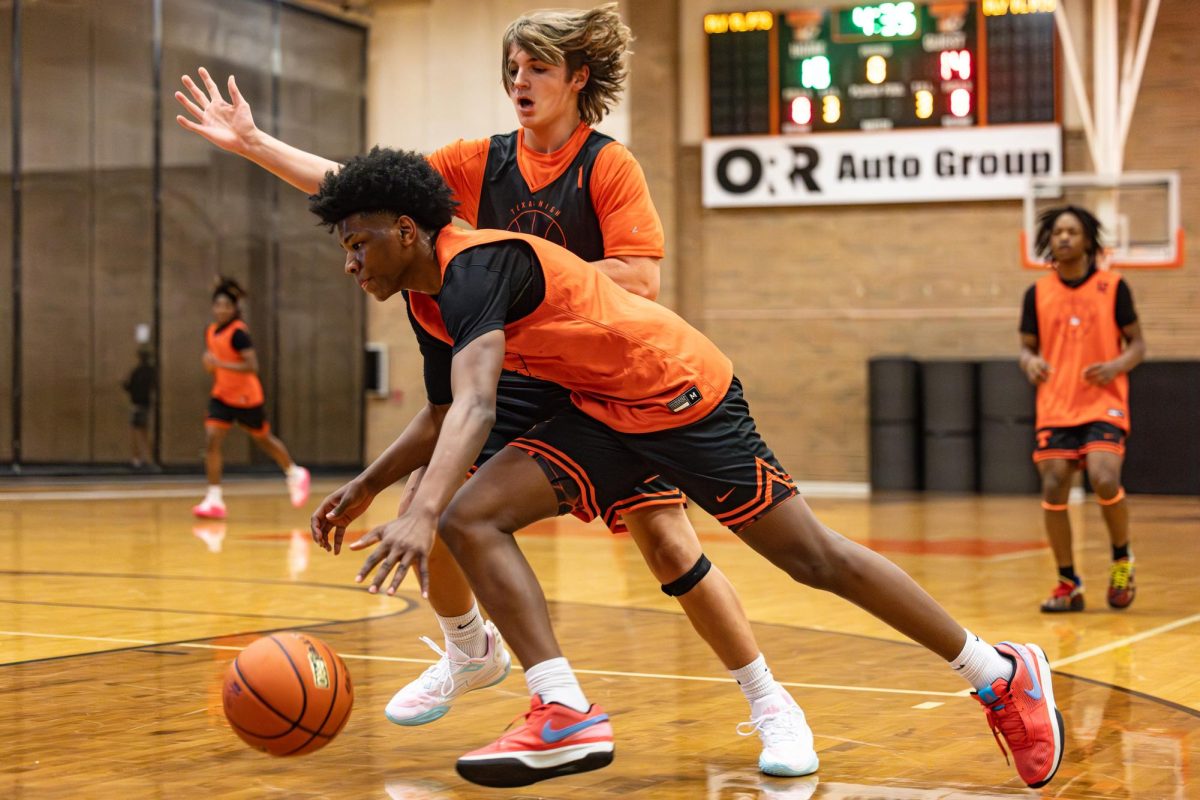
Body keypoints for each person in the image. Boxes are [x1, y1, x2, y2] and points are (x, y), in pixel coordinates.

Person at [175, 5, 816, 776]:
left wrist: (522, 274)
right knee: (437, 494)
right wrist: (255, 144)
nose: (520, 81)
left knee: (668, 544)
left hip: (596, 372)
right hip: (510, 368)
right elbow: (367, 193)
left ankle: (769, 701)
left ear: (578, 77)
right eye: (512, 68)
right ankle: (469, 651)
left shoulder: (608, 166)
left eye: (538, 67)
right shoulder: (478, 161)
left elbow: (641, 280)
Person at [306, 147, 1065, 790]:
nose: (348, 263)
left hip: (679, 394)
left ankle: (998, 672)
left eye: (358, 243)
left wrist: (417, 510)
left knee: (814, 559)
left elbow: (475, 407)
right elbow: (443, 413)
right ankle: (562, 707)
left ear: (407, 230)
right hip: (602, 411)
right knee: (474, 514)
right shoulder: (429, 299)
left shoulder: (476, 266)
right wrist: (370, 486)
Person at [1019, 205, 1146, 613]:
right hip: (1056, 404)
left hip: (1102, 402)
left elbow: (1138, 345)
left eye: (1072, 231)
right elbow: (1026, 347)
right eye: (1057, 232)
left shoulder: (1114, 287)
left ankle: (1121, 559)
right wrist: (1030, 362)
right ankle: (1067, 582)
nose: (1064, 238)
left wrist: (1116, 365)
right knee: (1054, 484)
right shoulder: (1036, 293)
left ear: (1088, 239)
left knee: (1103, 475)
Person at [192, 277, 311, 519]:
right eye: (218, 305)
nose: (222, 309)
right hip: (222, 395)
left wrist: (219, 363)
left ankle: (294, 472)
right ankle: (214, 499)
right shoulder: (211, 331)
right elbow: (213, 366)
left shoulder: (239, 334)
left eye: (227, 305)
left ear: (235, 309)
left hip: (246, 397)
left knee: (263, 439)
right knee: (212, 441)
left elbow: (251, 366)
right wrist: (209, 365)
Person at [122, 347, 156, 469]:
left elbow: (127, 386)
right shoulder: (151, 371)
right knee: (144, 431)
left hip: (136, 403)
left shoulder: (136, 371)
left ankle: (137, 458)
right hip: (146, 403)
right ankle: (148, 458)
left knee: (136, 431)